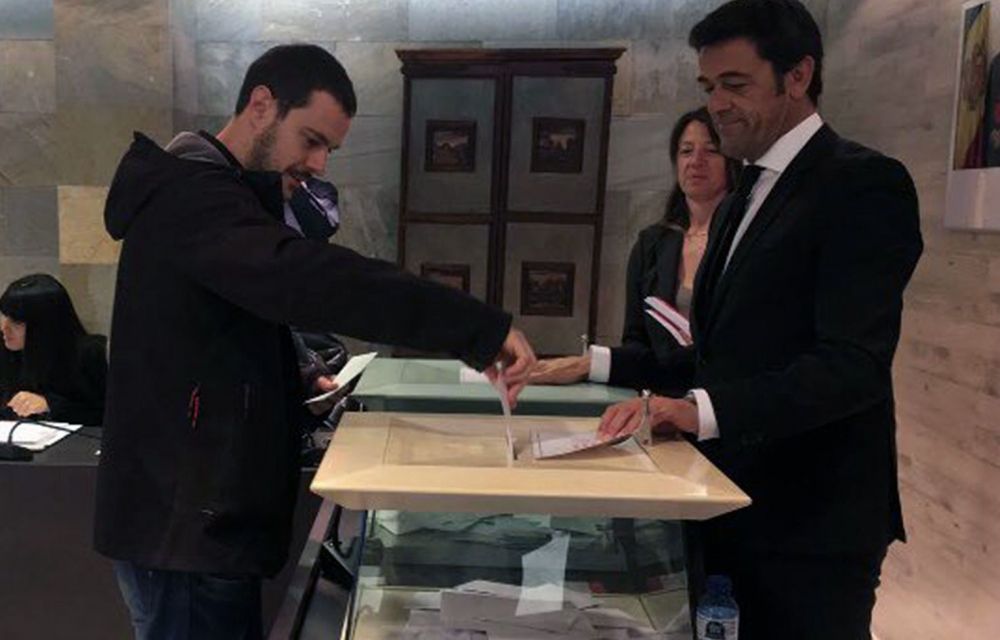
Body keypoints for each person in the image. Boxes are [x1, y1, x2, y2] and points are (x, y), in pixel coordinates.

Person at [94, 44, 535, 640]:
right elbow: (309, 281)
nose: (320, 163)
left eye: (329, 149)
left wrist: (296, 375)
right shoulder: (191, 196)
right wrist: (476, 328)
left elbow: (213, 331)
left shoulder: (214, 196)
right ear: (261, 105)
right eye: (311, 140)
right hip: (184, 532)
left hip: (198, 525)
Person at [597, 1, 923, 638]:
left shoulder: (864, 184)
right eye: (708, 87)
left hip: (811, 524)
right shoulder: (741, 195)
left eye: (735, 85)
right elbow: (720, 353)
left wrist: (697, 410)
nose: (716, 105)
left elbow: (851, 365)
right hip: (727, 501)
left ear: (798, 76)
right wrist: (607, 371)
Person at [530, 107, 737, 388]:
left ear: (732, 161)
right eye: (686, 151)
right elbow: (636, 342)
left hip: (720, 401)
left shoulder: (741, 243)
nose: (696, 161)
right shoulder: (651, 244)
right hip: (658, 399)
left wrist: (591, 364)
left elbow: (724, 352)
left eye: (711, 151)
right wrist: (591, 365)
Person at [0, 273, 107, 426]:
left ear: (44, 327)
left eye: (17, 323)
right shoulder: (6, 349)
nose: (4, 328)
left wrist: (50, 405)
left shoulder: (91, 354)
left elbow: (108, 415)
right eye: (4, 316)